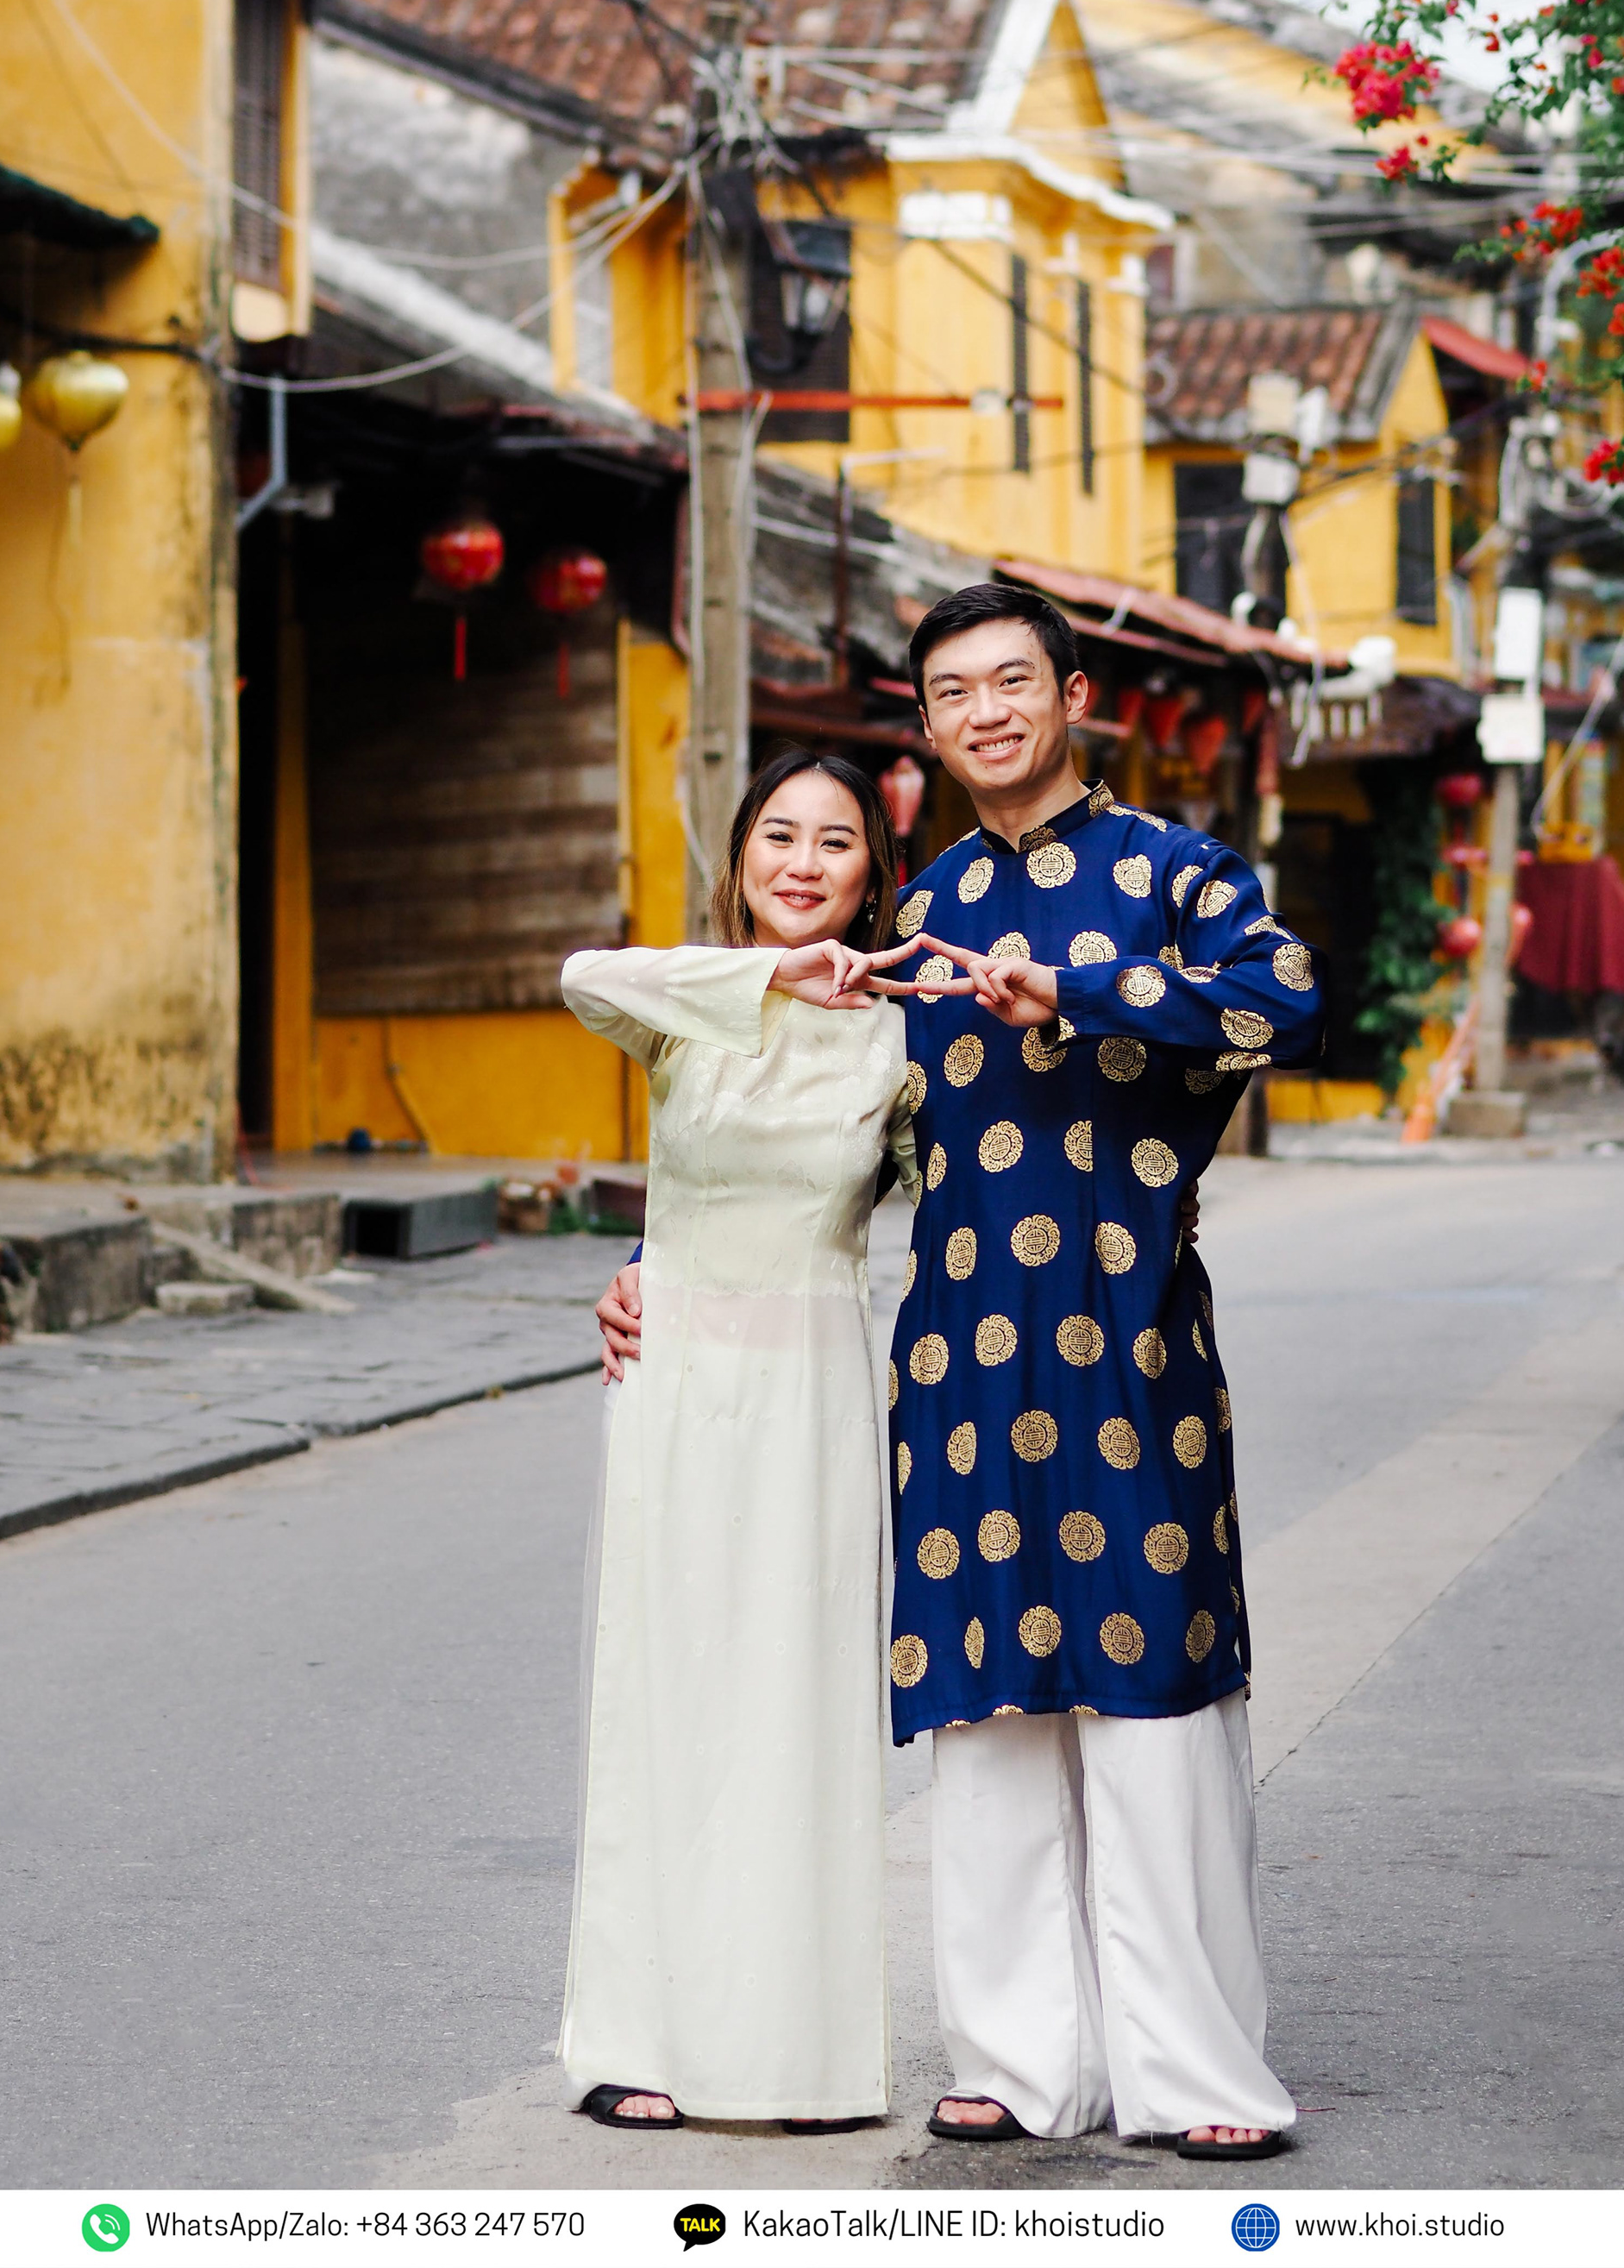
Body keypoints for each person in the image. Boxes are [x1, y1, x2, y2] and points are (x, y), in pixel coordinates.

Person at [601, 585, 1322, 2161]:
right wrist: (658, 1262)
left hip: (1131, 1342)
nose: (987, 710)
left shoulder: (1176, 874)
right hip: (957, 1359)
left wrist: (1079, 991)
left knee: (1148, 1698)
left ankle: (1195, 2075)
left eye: (1014, 681)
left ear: (1072, 695)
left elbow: (1283, 1000)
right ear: (922, 730)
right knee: (985, 1708)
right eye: (952, 693)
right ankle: (1016, 2061)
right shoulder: (914, 924)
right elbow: (812, 1154)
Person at [556, 745, 957, 2133]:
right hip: (673, 1386)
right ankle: (639, 2037)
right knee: (661, 1700)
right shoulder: (692, 1008)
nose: (802, 862)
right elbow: (580, 976)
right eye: (777, 837)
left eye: (835, 842)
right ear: (738, 864)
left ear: (872, 873)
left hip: (810, 1394)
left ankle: (797, 2057)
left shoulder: (902, 1035)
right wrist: (769, 979)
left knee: (794, 1712)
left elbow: (969, 1182)